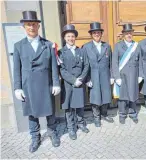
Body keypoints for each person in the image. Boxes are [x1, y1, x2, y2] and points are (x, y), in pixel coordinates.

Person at [13, 11, 60, 153]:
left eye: (34, 24)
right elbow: (17, 68)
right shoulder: (18, 46)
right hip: (28, 85)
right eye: (28, 24)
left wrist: (56, 83)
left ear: (38, 26)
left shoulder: (48, 44)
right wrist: (17, 87)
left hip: (45, 84)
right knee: (32, 113)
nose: (31, 27)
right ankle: (35, 137)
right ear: (24, 27)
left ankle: (52, 132)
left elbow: (53, 66)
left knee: (50, 111)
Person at [59, 24, 90, 140]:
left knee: (80, 104)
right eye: (68, 36)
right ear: (64, 38)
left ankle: (81, 123)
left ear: (75, 37)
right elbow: (61, 69)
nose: (70, 38)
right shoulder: (60, 52)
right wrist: (73, 80)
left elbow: (86, 65)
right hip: (68, 84)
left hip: (80, 83)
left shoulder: (81, 51)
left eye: (72, 36)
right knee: (69, 107)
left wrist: (81, 79)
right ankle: (71, 127)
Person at [82, 22, 114, 127]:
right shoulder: (86, 47)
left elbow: (111, 63)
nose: (96, 34)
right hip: (93, 76)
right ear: (91, 34)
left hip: (105, 75)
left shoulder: (107, 46)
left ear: (101, 34)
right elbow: (84, 65)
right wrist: (87, 79)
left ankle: (104, 114)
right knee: (95, 98)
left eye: (98, 32)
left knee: (106, 96)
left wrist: (112, 76)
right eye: (94, 32)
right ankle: (96, 117)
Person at [112, 24, 140, 124]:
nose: (129, 35)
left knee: (133, 95)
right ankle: (122, 114)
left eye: (130, 33)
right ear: (123, 34)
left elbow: (140, 61)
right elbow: (114, 62)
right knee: (122, 97)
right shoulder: (118, 45)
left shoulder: (136, 45)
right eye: (126, 33)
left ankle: (133, 113)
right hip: (122, 75)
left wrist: (140, 75)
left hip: (133, 74)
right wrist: (116, 76)